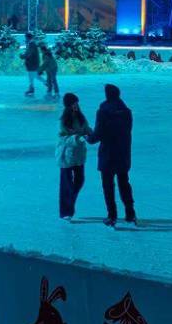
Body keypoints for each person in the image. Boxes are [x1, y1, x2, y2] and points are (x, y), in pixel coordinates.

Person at [88, 84, 135, 227]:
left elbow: (97, 135)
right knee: (124, 183)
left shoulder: (103, 112)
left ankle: (112, 215)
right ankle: (130, 213)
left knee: (108, 186)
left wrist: (88, 136)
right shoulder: (127, 112)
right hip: (123, 153)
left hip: (108, 154)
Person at [56, 93, 90, 220]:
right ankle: (66, 212)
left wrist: (93, 134)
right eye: (73, 103)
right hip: (66, 156)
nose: (76, 105)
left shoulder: (81, 117)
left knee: (79, 181)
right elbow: (63, 139)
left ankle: (69, 204)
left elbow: (87, 129)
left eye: (77, 103)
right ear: (68, 105)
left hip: (79, 155)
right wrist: (77, 138)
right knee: (67, 185)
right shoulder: (63, 121)